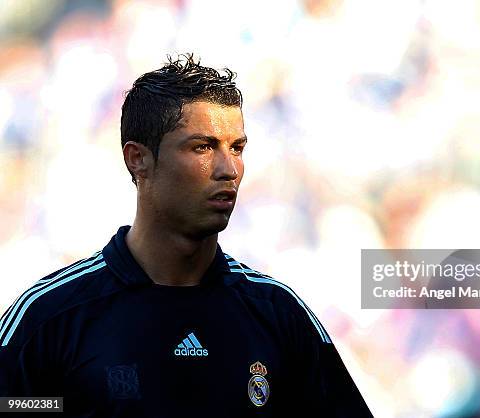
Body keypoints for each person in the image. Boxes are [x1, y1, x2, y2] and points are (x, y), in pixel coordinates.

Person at [0, 54, 373, 417]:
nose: (229, 169)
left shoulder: (279, 313)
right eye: (203, 147)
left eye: (237, 148)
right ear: (138, 160)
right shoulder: (50, 316)